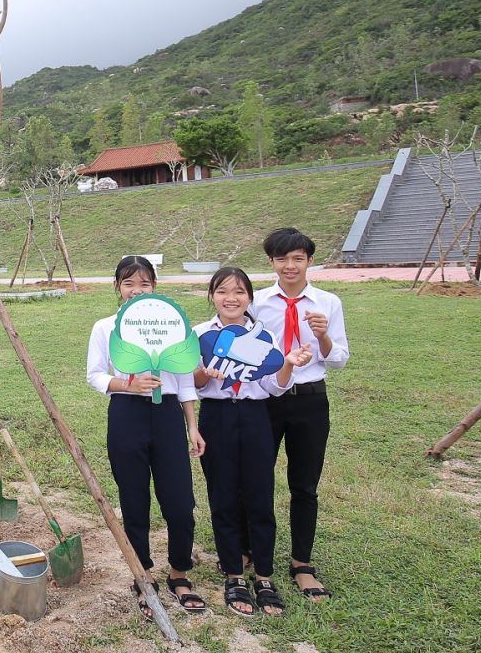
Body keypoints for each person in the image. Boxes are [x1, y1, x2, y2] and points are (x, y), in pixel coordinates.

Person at [86, 255, 206, 619]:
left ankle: (179, 573)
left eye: (145, 284)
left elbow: (184, 380)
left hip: (167, 415)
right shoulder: (106, 327)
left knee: (180, 502)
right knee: (134, 500)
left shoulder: (173, 325)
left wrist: (192, 426)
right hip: (127, 414)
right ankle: (143, 576)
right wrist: (128, 384)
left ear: (155, 287)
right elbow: (94, 374)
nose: (137, 290)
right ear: (117, 287)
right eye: (129, 284)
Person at [192, 267, 312, 618]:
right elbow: (191, 383)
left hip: (257, 417)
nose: (231, 298)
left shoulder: (263, 335)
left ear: (249, 297)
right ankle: (234, 574)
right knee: (223, 496)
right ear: (212, 296)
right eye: (222, 291)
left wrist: (288, 364)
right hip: (216, 417)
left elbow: (274, 386)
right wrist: (204, 372)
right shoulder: (199, 335)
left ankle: (263, 576)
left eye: (239, 292)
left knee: (260, 495)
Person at [253, 227, 350, 601]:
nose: (290, 266)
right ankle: (252, 551)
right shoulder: (257, 303)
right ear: (271, 262)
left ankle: (301, 563)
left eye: (298, 258)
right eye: (282, 259)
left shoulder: (327, 302)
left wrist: (323, 336)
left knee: (305, 483)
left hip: (310, 400)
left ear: (310, 261)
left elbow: (339, 359)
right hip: (267, 399)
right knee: (257, 479)